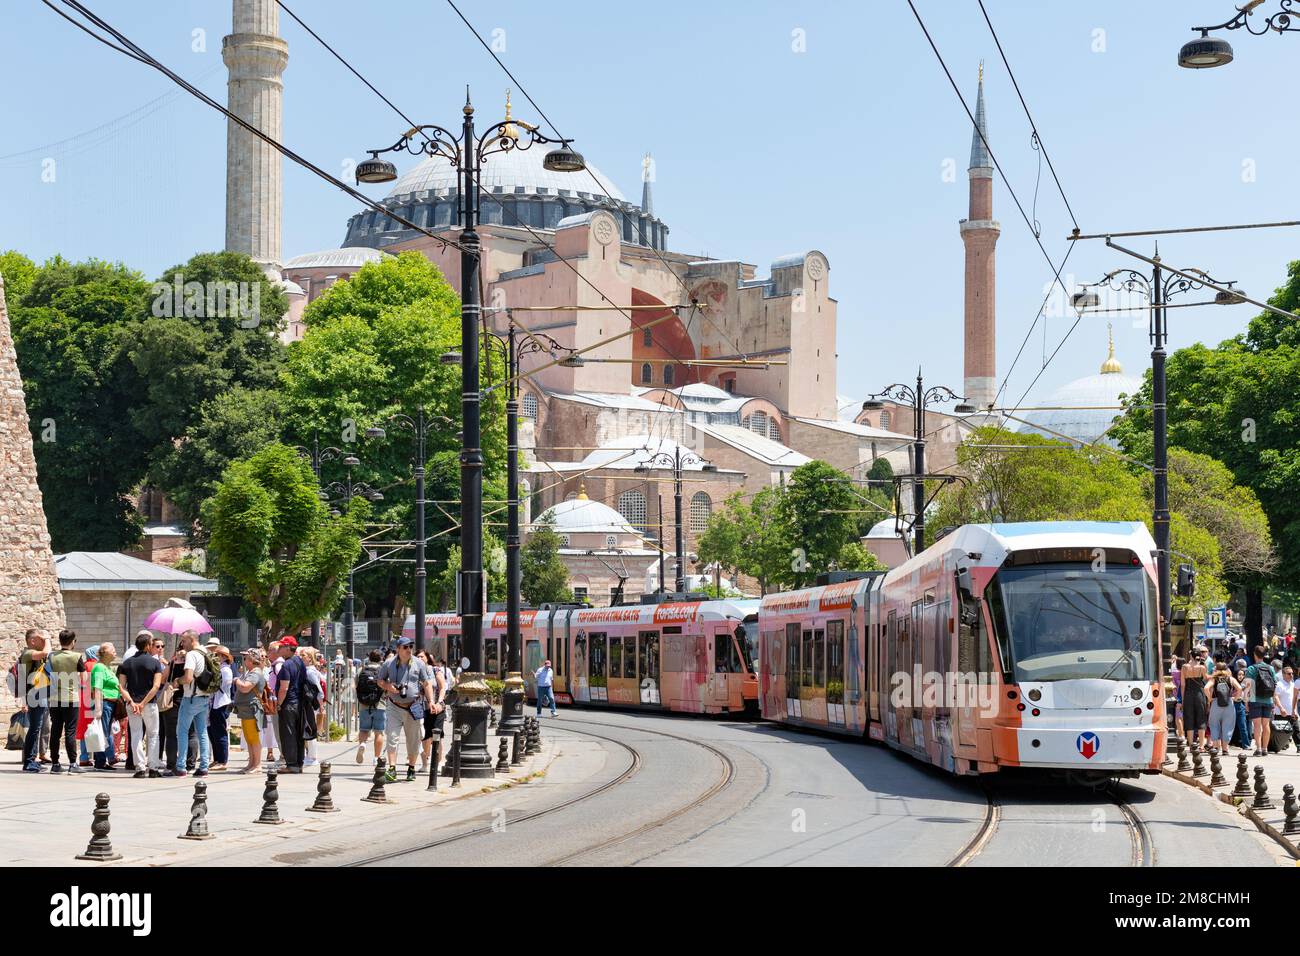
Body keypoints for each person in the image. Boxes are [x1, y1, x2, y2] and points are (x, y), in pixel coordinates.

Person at [376, 637, 434, 783]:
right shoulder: (389, 663)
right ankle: (392, 768)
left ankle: (411, 768)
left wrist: (431, 701)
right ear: (398, 649)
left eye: (410, 647)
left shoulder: (419, 663)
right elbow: (380, 681)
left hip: (413, 706)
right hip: (394, 706)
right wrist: (388, 687)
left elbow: (426, 683)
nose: (409, 650)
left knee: (413, 741)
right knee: (392, 737)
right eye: (406, 647)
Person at [117, 631, 164, 778]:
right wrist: (143, 703)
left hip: (132, 704)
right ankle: (154, 767)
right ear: (147, 645)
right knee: (153, 734)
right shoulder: (155, 663)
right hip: (149, 704)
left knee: (136, 734)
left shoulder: (126, 663)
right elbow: (156, 686)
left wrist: (132, 702)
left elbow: (122, 686)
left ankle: (140, 767)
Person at [169, 630, 213, 778]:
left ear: (192, 640)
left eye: (184, 641)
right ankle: (204, 766)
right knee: (202, 732)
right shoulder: (206, 652)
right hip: (204, 697)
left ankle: (181, 767)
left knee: (182, 731)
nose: (182, 644)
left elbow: (187, 678)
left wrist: (177, 681)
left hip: (191, 698)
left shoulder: (192, 655)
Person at [47, 629, 82, 774]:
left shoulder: (52, 656)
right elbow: (84, 678)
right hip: (71, 698)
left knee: (55, 730)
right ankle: (73, 764)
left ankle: (55, 763)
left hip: (54, 697)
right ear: (73, 641)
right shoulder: (77, 656)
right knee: (70, 731)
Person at [17, 628, 50, 773]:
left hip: (40, 693)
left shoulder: (36, 655)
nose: (43, 641)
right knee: (35, 728)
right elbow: (46, 652)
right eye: (40, 639)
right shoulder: (28, 653)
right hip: (34, 695)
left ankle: (32, 759)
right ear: (32, 641)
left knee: (37, 728)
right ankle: (29, 761)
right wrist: (48, 638)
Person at [275, 636, 306, 773]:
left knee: (288, 734)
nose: (279, 649)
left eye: (281, 647)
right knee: (298, 734)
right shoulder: (300, 662)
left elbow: (284, 688)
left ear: (288, 648)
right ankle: (298, 763)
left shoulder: (287, 665)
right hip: (299, 703)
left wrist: (278, 704)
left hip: (288, 704)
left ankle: (291, 764)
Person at [232, 648, 267, 774]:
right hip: (246, 709)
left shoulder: (255, 673)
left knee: (253, 737)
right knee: (249, 737)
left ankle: (257, 764)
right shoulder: (251, 672)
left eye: (246, 657)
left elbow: (245, 688)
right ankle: (251, 763)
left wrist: (236, 680)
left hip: (252, 708)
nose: (244, 659)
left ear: (252, 659)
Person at [88, 643, 121, 771]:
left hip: (110, 704)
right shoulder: (100, 668)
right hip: (104, 703)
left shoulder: (107, 667)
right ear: (105, 652)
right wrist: (98, 708)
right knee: (102, 733)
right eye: (112, 650)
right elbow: (97, 688)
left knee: (105, 732)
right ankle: (100, 762)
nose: (115, 652)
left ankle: (103, 760)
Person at [1204, 656, 1241, 757]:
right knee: (1228, 726)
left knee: (1214, 724)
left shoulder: (1214, 679)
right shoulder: (1231, 679)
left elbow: (1206, 688)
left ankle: (1216, 747)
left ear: (1216, 669)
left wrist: (1210, 698)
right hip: (1229, 703)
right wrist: (1236, 698)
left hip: (1216, 703)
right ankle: (1225, 749)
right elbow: (1240, 688)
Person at [354, 649, 386, 765]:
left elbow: (356, 685)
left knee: (363, 729)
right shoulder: (383, 671)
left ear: (369, 658)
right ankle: (376, 757)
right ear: (381, 658)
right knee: (379, 732)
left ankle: (362, 743)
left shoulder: (361, 670)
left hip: (364, 705)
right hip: (380, 704)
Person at [206, 641, 235, 771]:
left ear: (224, 657)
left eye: (218, 655)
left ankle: (222, 760)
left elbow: (219, 686)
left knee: (220, 733)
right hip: (214, 703)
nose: (215, 657)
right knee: (212, 732)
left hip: (221, 703)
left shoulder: (225, 670)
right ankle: (217, 759)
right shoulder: (219, 669)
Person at [1246, 644, 1277, 756]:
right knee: (1266, 725)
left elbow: (1248, 686)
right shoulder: (1271, 668)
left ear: (1255, 654)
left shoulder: (1251, 668)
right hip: (1268, 700)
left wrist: (1246, 701)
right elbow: (1275, 685)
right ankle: (1265, 749)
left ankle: (1258, 748)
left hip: (1255, 699)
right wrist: (1273, 700)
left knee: (1257, 725)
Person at [1180, 647, 1209, 750]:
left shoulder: (1184, 667)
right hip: (1199, 694)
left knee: (1189, 718)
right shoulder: (1201, 667)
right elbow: (1205, 678)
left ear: (1191, 656)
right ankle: (1201, 745)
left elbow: (1183, 685)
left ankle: (1191, 744)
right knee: (1201, 718)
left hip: (1188, 694)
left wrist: (1183, 699)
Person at [300, 647, 324, 768]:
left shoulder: (310, 672)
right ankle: (309, 756)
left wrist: (320, 706)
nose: (301, 656)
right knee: (308, 729)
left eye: (303, 655)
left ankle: (312, 757)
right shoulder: (307, 670)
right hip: (309, 704)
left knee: (310, 730)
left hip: (311, 704)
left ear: (310, 658)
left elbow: (319, 690)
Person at [263, 639, 282, 768]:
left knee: (279, 731)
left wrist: (279, 702)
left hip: (277, 702)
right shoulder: (274, 665)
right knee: (277, 730)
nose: (268, 653)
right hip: (275, 701)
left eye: (270, 650)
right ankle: (283, 755)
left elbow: (283, 685)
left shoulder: (278, 665)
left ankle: (283, 756)